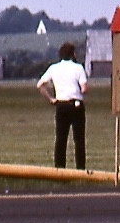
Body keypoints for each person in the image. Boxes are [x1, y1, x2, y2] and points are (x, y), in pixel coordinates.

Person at [36, 42, 88, 170]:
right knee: (79, 140)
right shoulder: (78, 68)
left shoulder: (54, 68)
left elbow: (40, 85)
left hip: (61, 105)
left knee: (60, 139)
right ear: (73, 54)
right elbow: (84, 89)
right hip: (76, 105)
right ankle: (80, 169)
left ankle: (59, 168)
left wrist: (51, 99)